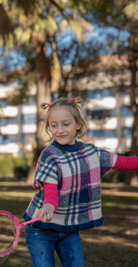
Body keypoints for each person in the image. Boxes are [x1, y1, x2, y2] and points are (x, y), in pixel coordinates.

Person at [23, 97, 138, 267]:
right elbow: (51, 191)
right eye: (54, 125)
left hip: (69, 228)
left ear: (78, 124)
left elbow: (123, 162)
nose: (60, 130)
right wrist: (48, 206)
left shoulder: (91, 152)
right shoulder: (49, 155)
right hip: (40, 229)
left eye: (66, 124)